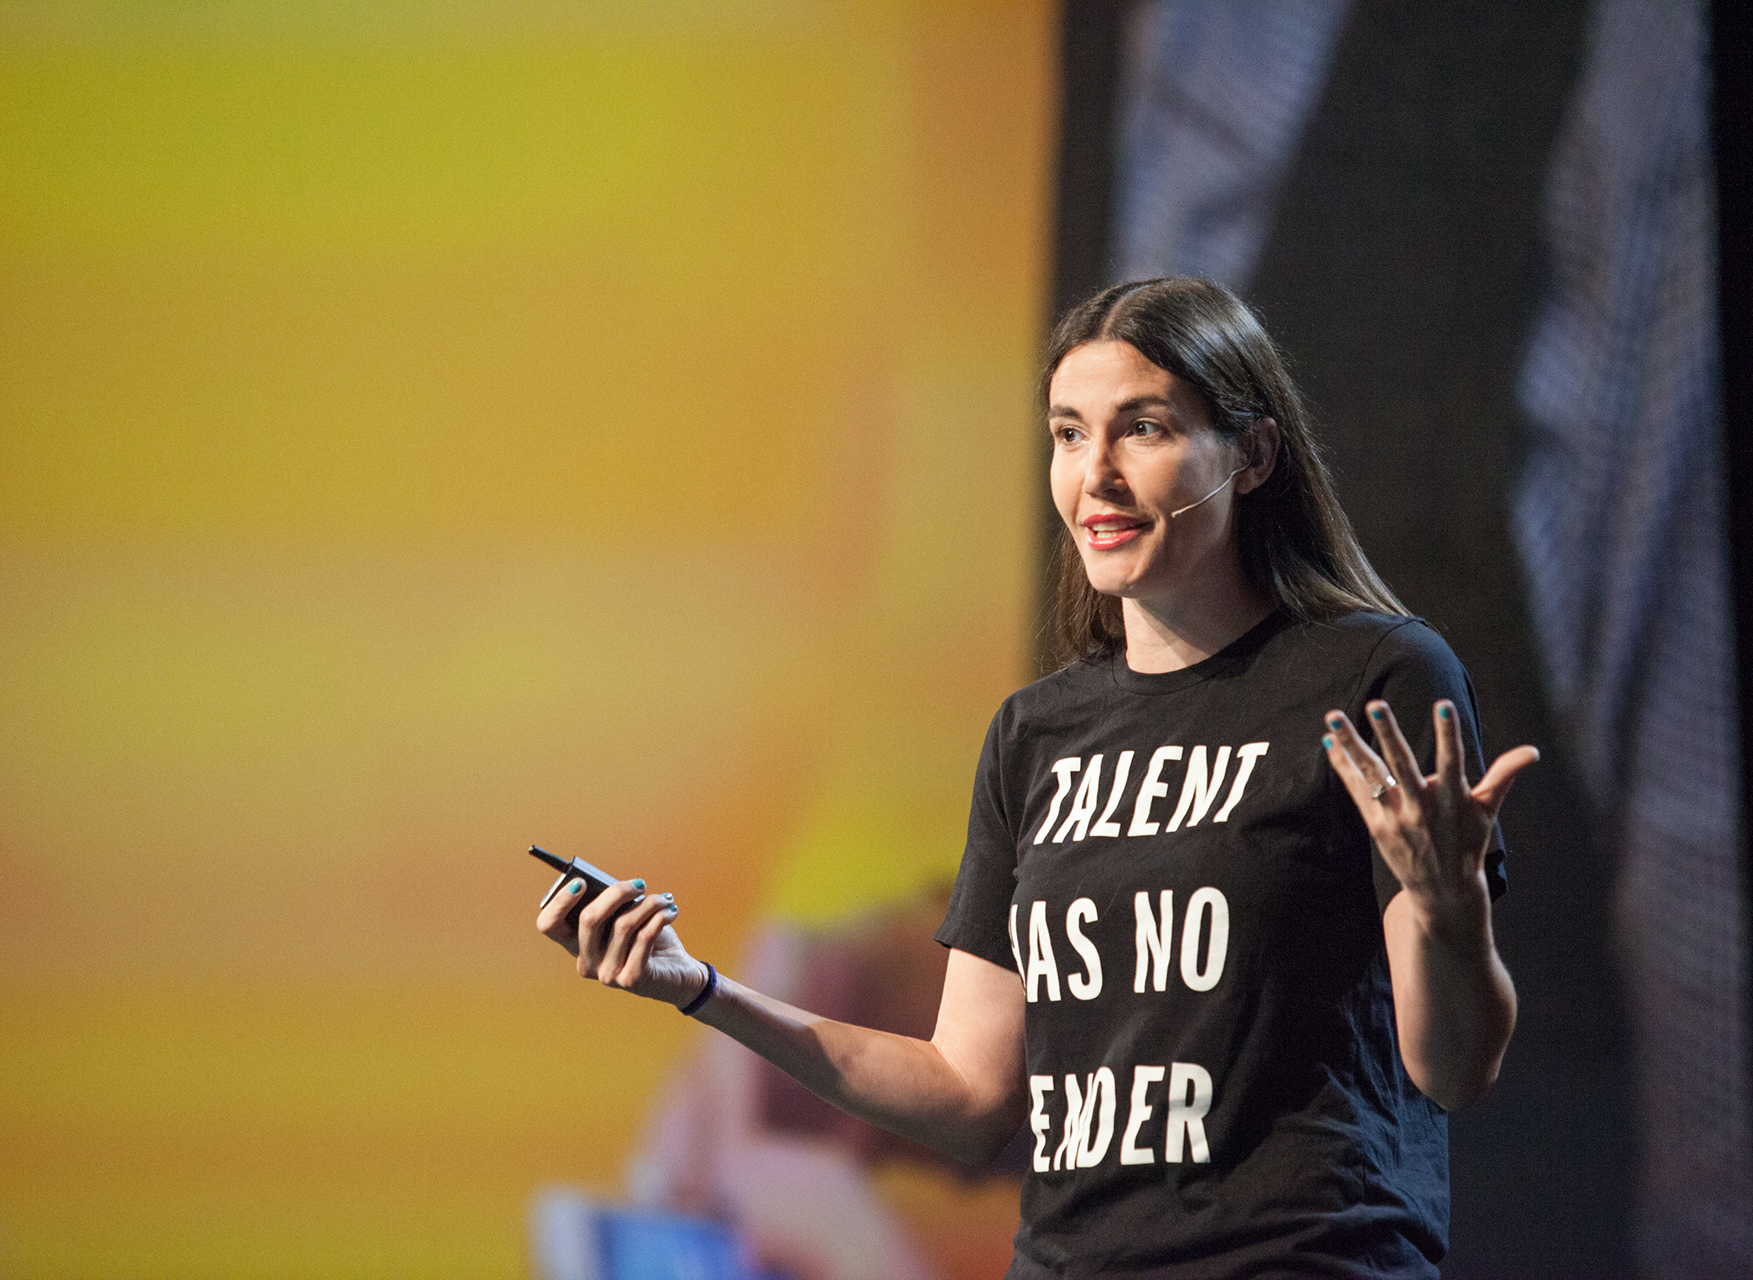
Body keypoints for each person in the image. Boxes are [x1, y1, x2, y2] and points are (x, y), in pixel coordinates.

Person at [536, 277, 1529, 1278]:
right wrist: (700, 987)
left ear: (1255, 453)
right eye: (1067, 432)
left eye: (1141, 428)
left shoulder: (1373, 676)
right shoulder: (1036, 733)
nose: (1094, 473)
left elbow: (1451, 1066)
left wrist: (1450, 916)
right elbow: (969, 1093)